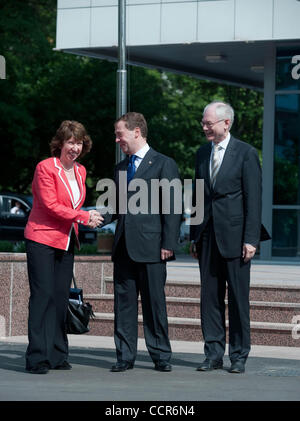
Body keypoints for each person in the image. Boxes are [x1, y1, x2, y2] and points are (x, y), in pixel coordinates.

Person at [24, 120, 103, 374]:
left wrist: (86, 218)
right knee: (42, 297)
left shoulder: (80, 171)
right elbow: (49, 206)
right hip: (42, 239)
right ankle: (37, 357)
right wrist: (84, 216)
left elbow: (72, 206)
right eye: (70, 142)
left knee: (60, 299)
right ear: (60, 143)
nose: (75, 147)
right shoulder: (45, 167)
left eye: (79, 142)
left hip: (66, 241)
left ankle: (58, 354)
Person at [105, 112, 181, 372]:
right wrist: (89, 218)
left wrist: (168, 244)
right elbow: (114, 207)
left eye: (119, 134)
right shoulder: (121, 168)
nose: (117, 139)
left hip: (152, 249)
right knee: (123, 305)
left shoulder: (163, 164)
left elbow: (173, 208)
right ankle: (124, 356)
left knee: (154, 305)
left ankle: (161, 355)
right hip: (124, 248)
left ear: (136, 132)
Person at [190, 101, 262, 374]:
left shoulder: (245, 153)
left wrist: (251, 239)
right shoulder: (201, 153)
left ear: (226, 123)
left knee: (238, 299)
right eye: (204, 122)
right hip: (207, 237)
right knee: (209, 298)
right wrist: (195, 236)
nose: (204, 127)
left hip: (236, 239)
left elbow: (253, 199)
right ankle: (213, 353)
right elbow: (198, 197)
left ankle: (239, 355)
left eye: (209, 123)